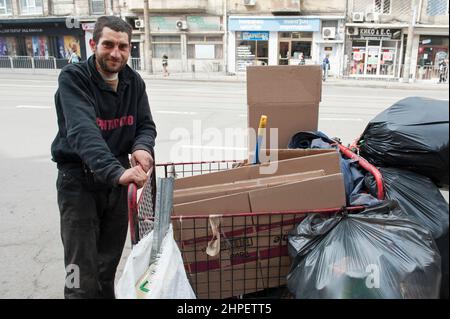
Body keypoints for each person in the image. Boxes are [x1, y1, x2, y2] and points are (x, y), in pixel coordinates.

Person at [51, 16, 157, 299]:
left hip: (115, 184)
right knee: (79, 274)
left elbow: (145, 124)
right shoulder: (74, 79)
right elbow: (83, 132)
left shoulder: (133, 82)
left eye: (123, 46)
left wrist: (143, 147)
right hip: (79, 183)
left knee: (106, 267)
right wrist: (118, 172)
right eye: (108, 44)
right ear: (93, 44)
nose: (116, 53)